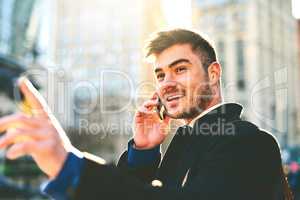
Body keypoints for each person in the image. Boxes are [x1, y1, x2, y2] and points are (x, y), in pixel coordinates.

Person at [0, 29, 292, 200]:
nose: (167, 83)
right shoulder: (181, 143)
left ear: (213, 72)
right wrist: (143, 152)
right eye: (161, 74)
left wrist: (71, 167)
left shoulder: (252, 143)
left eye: (180, 69)